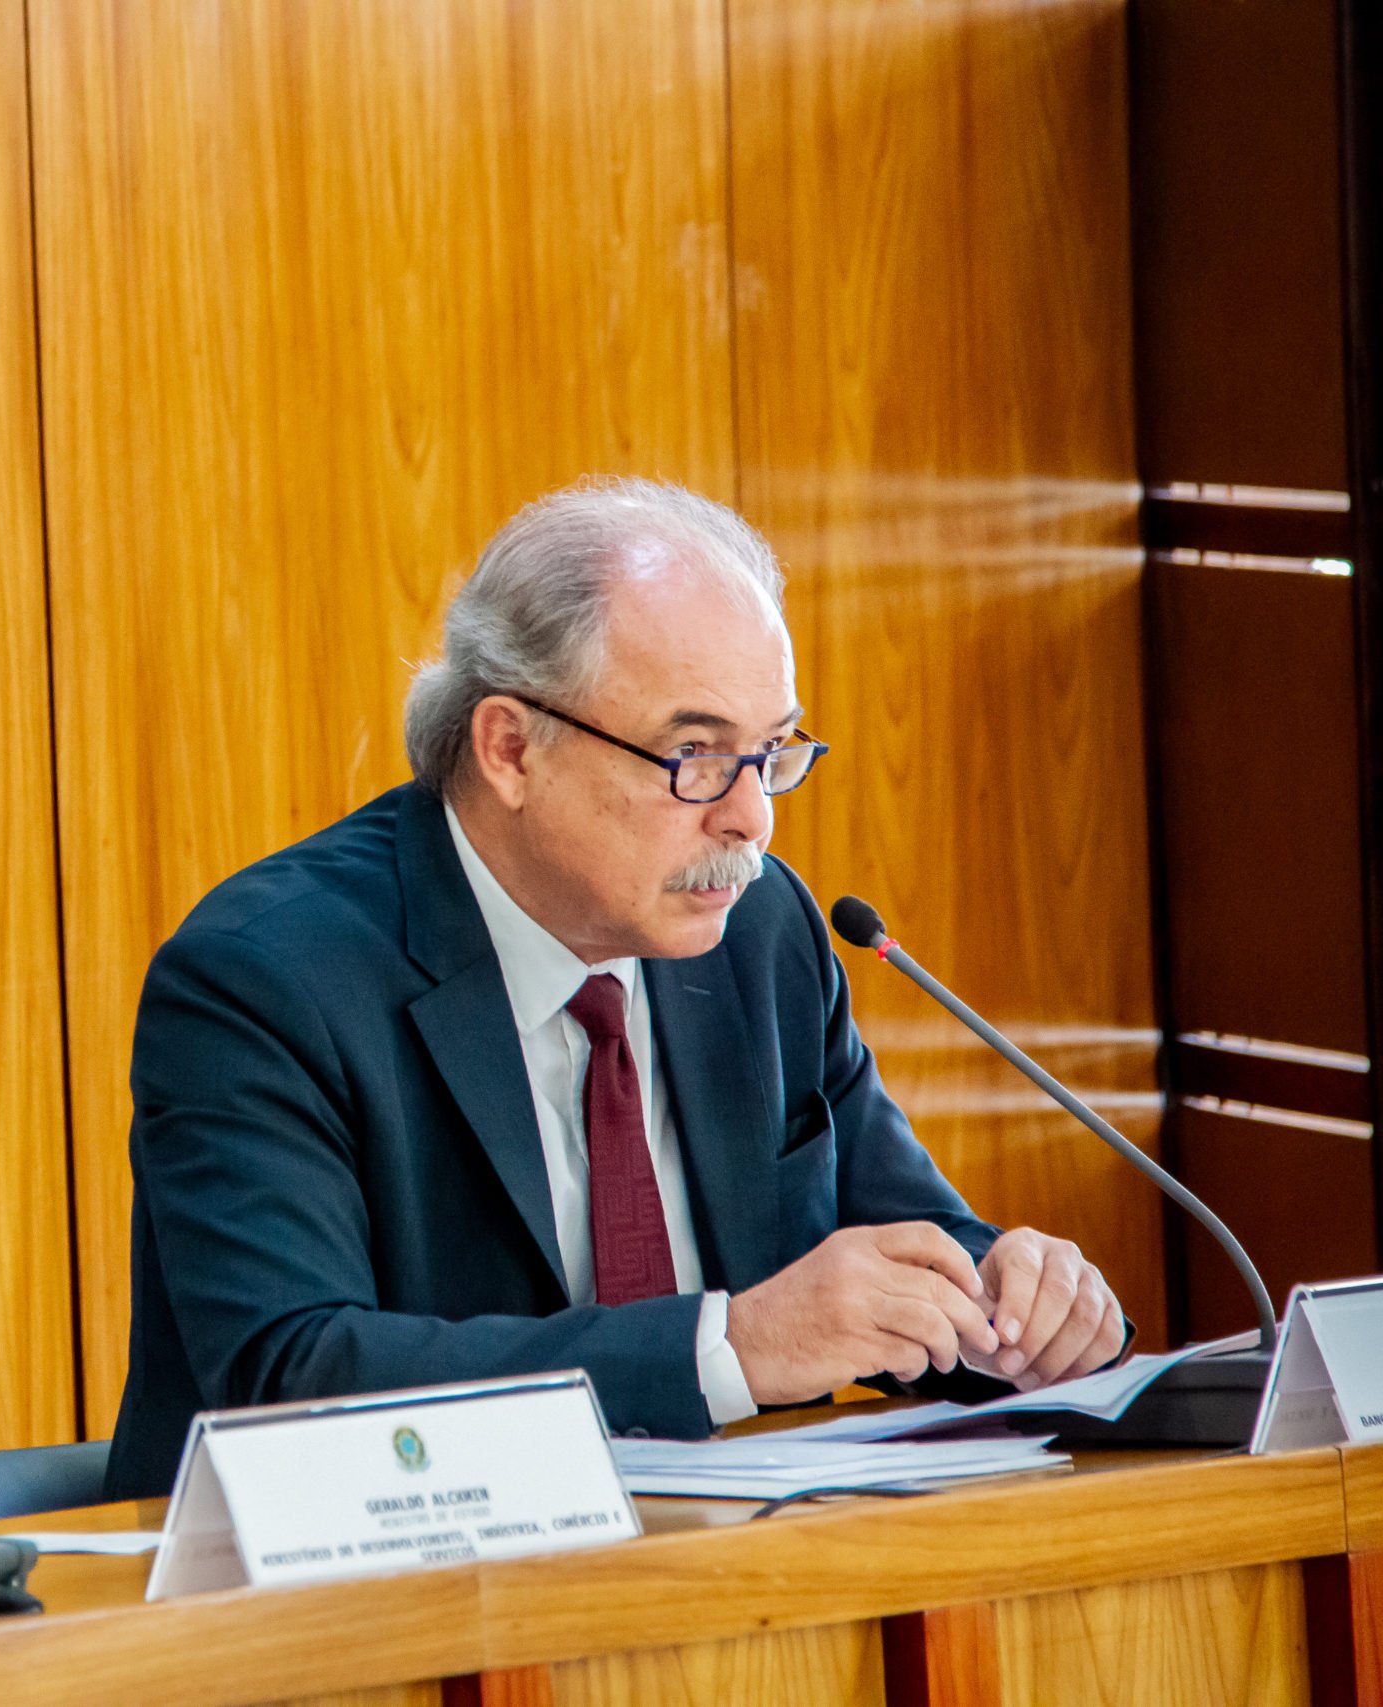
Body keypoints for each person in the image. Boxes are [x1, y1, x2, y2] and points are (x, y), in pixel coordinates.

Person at [105, 479, 1127, 1498]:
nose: (750, 822)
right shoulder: (268, 979)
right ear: (510, 748)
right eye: (692, 755)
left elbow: (899, 1251)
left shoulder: (757, 933)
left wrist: (1012, 1304)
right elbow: (292, 1379)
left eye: (768, 754)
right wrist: (725, 1348)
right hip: (349, 1611)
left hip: (719, 1597)